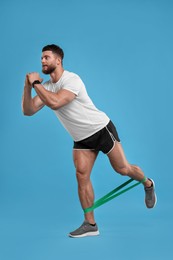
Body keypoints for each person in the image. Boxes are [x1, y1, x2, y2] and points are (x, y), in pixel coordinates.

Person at [22, 44, 157, 238]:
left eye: (46, 57)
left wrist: (36, 84)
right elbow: (28, 111)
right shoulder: (47, 87)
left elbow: (56, 102)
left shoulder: (71, 79)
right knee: (81, 175)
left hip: (100, 130)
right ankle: (90, 224)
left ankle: (147, 183)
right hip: (81, 139)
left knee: (123, 169)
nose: (42, 61)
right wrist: (27, 87)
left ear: (58, 60)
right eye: (41, 58)